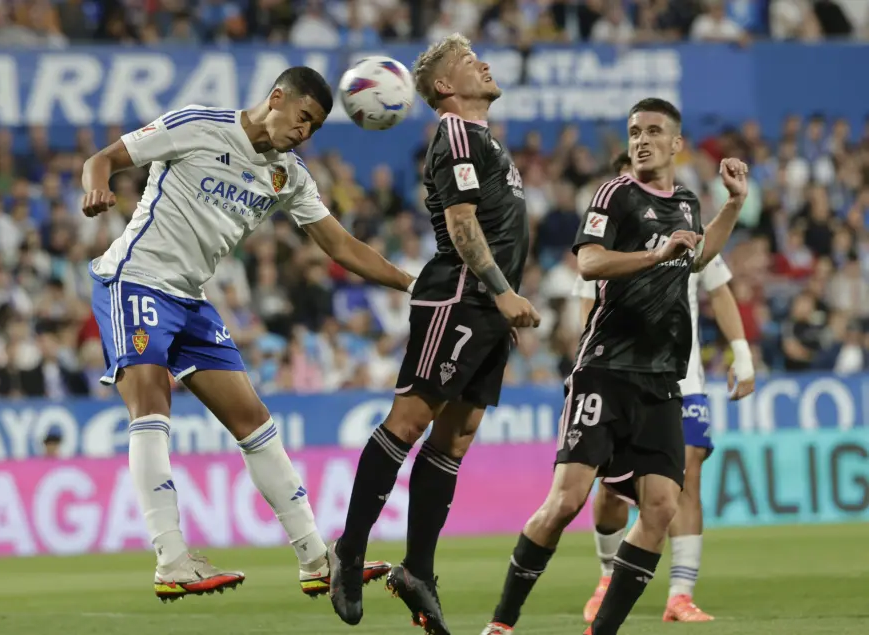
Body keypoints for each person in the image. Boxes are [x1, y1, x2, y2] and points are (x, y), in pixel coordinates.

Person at [82, 67, 411, 602]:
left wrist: (411, 284)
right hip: (135, 278)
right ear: (276, 98)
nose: (304, 132)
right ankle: (171, 559)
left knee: (254, 421)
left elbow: (343, 247)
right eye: (302, 117)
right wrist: (97, 185)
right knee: (151, 403)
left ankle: (315, 557)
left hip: (190, 300)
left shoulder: (289, 175)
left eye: (316, 127)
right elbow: (102, 159)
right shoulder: (197, 125)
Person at [479, 98, 750, 635]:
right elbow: (591, 261)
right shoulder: (614, 194)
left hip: (662, 379)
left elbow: (696, 257)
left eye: (653, 131)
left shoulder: (690, 203)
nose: (641, 140)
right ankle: (501, 625)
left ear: (676, 144)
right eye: (633, 132)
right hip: (606, 369)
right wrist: (656, 253)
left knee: (661, 506)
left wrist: (733, 206)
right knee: (566, 501)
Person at [327, 34, 540, 635]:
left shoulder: (485, 140)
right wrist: (500, 290)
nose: (487, 63)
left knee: (457, 437)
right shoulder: (455, 133)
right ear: (446, 86)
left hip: (488, 310)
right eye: (472, 62)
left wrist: (502, 302)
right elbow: (462, 223)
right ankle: (349, 551)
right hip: (460, 297)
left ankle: (418, 569)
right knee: (410, 420)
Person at [572, 153, 756, 624]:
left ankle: (680, 594)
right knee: (612, 491)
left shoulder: (685, 221)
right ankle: (608, 576)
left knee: (687, 478)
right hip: (616, 374)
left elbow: (718, 289)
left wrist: (743, 354)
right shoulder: (605, 239)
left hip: (682, 377)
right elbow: (584, 311)